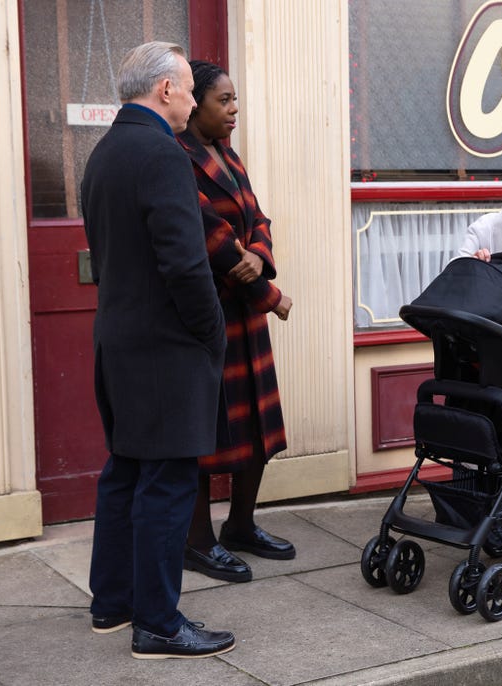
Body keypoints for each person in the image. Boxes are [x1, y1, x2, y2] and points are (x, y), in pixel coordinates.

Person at [80, 41, 235, 659]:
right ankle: (159, 625)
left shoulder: (104, 154)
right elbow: (184, 264)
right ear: (165, 90)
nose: (196, 99)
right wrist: (211, 332)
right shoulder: (163, 156)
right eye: (189, 88)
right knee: (167, 483)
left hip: (116, 341)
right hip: (167, 348)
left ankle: (112, 606)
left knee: (125, 472)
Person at [175, 60, 294, 584]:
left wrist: (261, 258)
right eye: (224, 101)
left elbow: (257, 220)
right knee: (208, 431)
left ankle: (241, 526)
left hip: (245, 312)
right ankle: (197, 542)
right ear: (194, 103)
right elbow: (211, 235)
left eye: (235, 99)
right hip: (212, 313)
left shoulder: (229, 154)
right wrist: (269, 292)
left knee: (258, 428)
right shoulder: (177, 157)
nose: (234, 110)